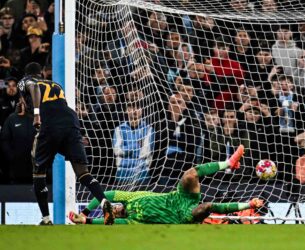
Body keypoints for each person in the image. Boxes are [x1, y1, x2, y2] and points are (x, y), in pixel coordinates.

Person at [17, 62, 115, 225]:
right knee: (82, 172)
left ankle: (46, 219)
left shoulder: (26, 81)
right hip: (71, 122)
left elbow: (33, 88)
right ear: (42, 73)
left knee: (38, 170)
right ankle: (105, 204)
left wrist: (36, 114)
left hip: (50, 124)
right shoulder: (56, 84)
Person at [69, 145, 264, 224]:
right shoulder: (132, 221)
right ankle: (248, 205)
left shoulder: (131, 198)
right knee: (208, 207)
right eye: (114, 210)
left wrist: (86, 211)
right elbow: (109, 224)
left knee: (190, 174)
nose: (116, 207)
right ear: (114, 214)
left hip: (178, 197)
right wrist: (86, 222)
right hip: (182, 216)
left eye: (114, 207)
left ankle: (228, 163)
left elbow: (108, 194)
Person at [0, 97, 36, 184]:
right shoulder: (11, 119)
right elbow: (4, 139)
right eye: (22, 102)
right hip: (16, 165)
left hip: (33, 165)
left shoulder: (36, 119)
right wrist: (11, 156)